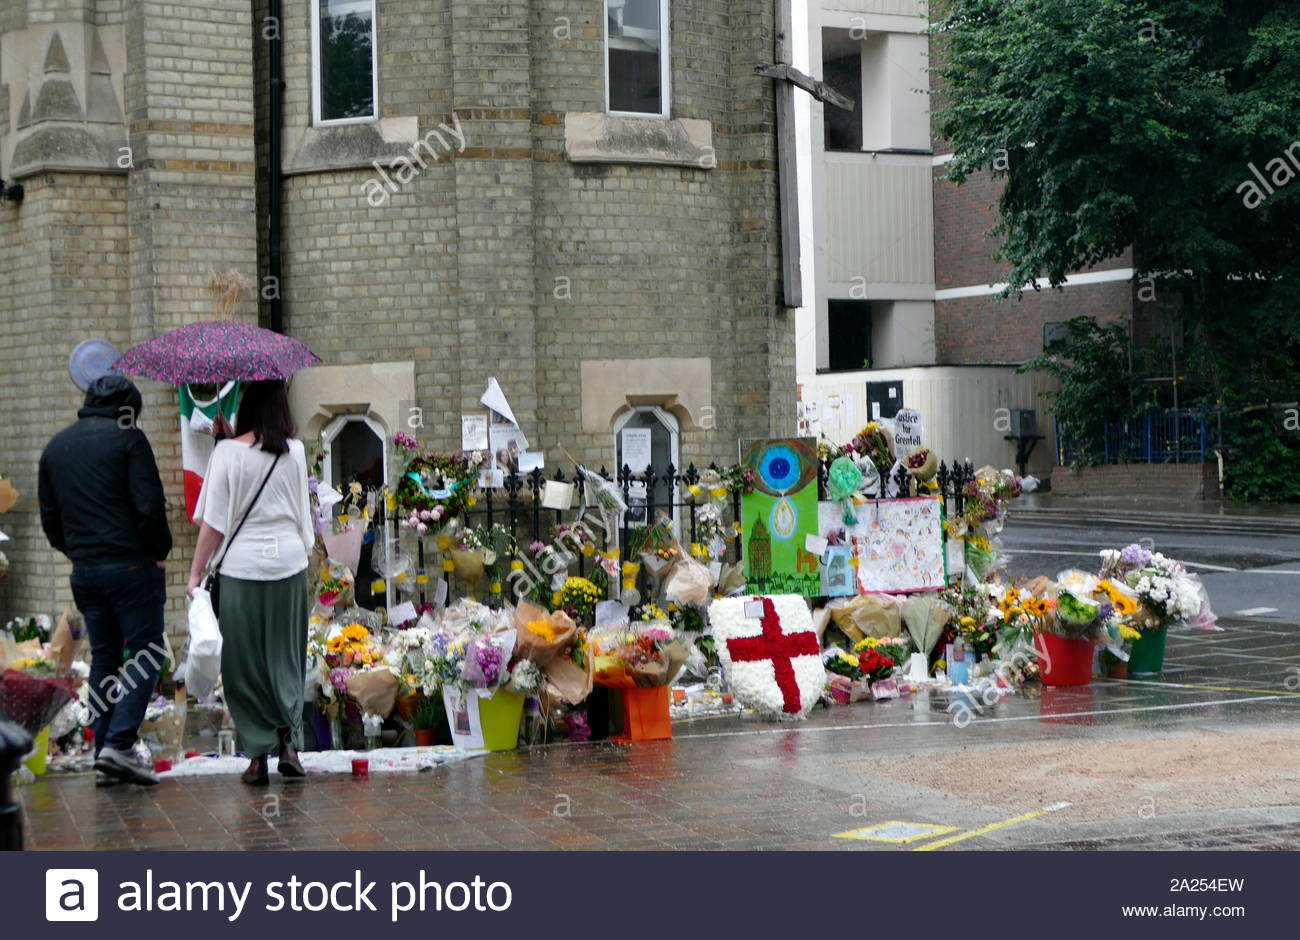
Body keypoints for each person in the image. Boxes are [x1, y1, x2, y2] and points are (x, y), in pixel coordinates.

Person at [38, 374, 172, 787]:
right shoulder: (129, 440)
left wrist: (80, 554)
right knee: (147, 652)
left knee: (106, 657)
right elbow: (149, 508)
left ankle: (104, 756)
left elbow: (51, 521)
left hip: (86, 572)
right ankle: (120, 743)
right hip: (131, 566)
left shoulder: (56, 448)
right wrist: (158, 551)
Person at [187, 380, 314, 785]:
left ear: (247, 405)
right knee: (285, 658)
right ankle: (290, 745)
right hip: (289, 566)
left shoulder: (226, 452)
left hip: (242, 570)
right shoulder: (294, 451)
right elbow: (300, 512)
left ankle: (257, 756)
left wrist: (194, 574)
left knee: (243, 663)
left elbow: (215, 522)